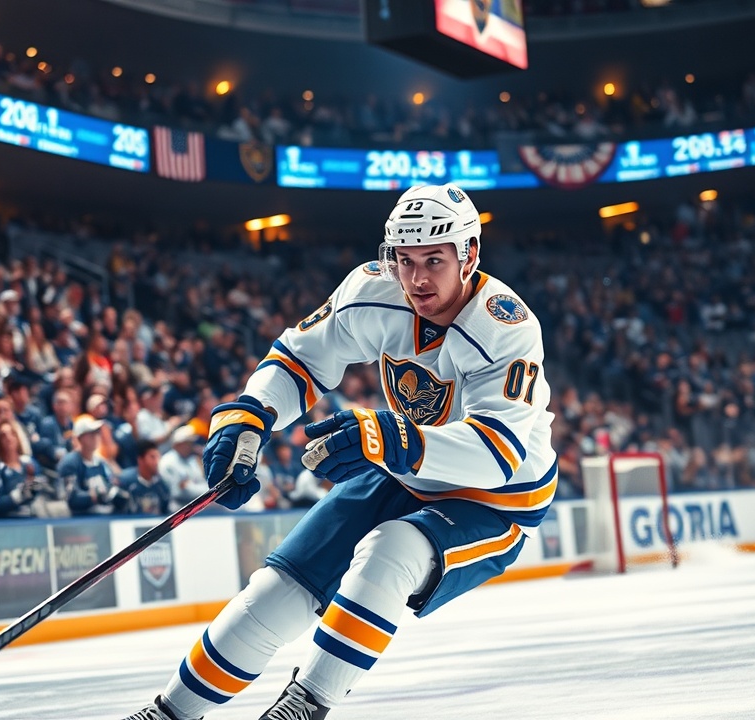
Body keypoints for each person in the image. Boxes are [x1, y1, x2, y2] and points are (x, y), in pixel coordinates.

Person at [121, 184, 557, 720]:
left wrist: (391, 438)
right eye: (405, 260)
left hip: (496, 497)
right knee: (279, 589)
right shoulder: (373, 290)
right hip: (404, 467)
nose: (417, 279)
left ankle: (304, 706)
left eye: (434, 260)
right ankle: (169, 714)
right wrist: (252, 414)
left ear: (469, 256)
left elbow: (496, 452)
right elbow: (300, 360)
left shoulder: (505, 326)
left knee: (391, 551)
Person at [61, 414, 128, 515]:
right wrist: (95, 496)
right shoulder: (70, 463)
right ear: (80, 438)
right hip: (81, 518)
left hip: (104, 515)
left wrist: (115, 493)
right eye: (91, 433)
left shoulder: (100, 462)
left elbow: (110, 484)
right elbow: (72, 498)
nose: (96, 436)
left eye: (97, 432)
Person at [0, 419, 47, 519]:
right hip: (7, 521)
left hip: (32, 518)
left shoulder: (29, 462)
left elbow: (39, 484)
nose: (8, 438)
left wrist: (34, 487)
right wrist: (20, 494)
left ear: (17, 437)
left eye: (12, 434)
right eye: (3, 435)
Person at [160, 425, 207, 510]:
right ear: (178, 444)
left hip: (197, 506)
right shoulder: (168, 462)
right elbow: (178, 492)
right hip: (177, 510)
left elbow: (202, 483)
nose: (191, 446)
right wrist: (193, 487)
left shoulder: (191, 460)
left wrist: (189, 486)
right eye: (188, 443)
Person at [118, 440, 169, 516]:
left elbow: (164, 512)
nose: (157, 462)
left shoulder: (162, 486)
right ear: (140, 460)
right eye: (152, 457)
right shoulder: (125, 482)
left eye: (158, 457)